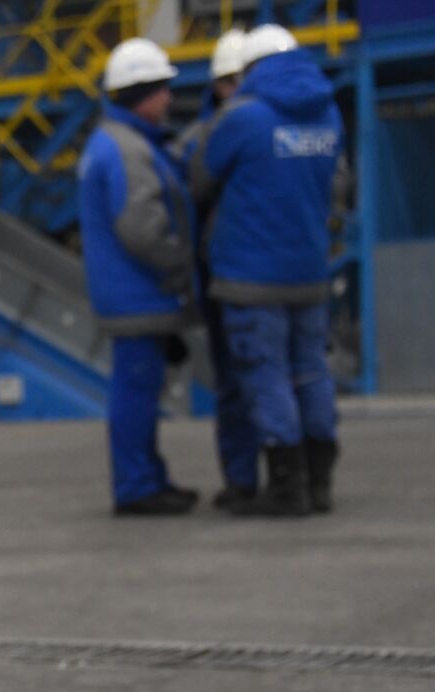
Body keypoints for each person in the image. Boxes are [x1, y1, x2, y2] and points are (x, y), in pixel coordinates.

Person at [191, 25, 343, 516]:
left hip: (251, 275)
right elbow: (338, 187)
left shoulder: (243, 117)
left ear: (251, 69)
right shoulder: (329, 115)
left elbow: (201, 177)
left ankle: (285, 488)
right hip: (310, 270)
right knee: (311, 371)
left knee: (266, 374)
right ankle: (319, 483)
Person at [78, 38, 200, 516]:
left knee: (140, 394)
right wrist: (182, 267)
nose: (169, 98)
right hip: (140, 296)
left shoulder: (115, 141)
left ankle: (147, 478)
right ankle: (137, 488)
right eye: (162, 89)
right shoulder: (126, 149)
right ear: (140, 93)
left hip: (131, 294)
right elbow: (143, 228)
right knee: (136, 396)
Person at [173, 29, 260, 512]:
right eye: (231, 81)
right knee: (237, 385)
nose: (237, 89)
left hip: (240, 276)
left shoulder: (202, 138)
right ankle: (249, 480)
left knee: (264, 383)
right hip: (223, 280)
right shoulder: (201, 138)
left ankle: (273, 481)